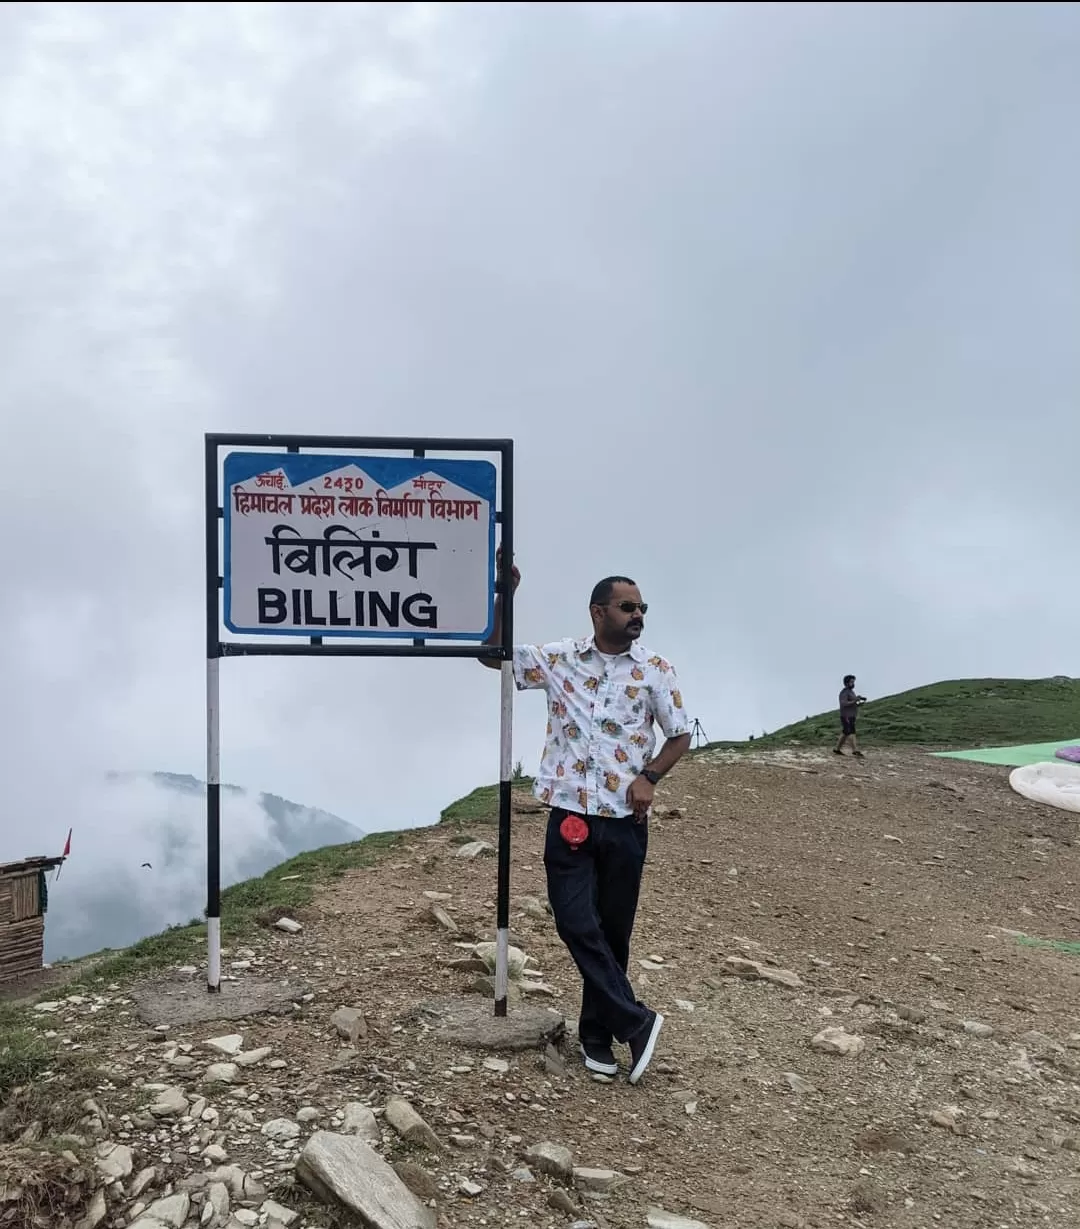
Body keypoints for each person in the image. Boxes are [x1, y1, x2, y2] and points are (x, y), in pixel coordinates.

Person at [481, 551, 691, 1085]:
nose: (638, 614)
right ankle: (637, 1022)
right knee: (575, 921)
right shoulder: (560, 659)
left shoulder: (656, 670)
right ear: (598, 612)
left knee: (614, 931)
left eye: (642, 607)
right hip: (570, 817)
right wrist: (504, 593)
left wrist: (650, 777)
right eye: (627, 607)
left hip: (625, 820)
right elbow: (493, 656)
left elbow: (681, 732)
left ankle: (597, 1038)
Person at [834, 674, 867, 757]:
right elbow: (844, 703)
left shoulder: (851, 692)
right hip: (846, 716)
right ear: (846, 683)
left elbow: (852, 703)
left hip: (851, 716)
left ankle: (837, 749)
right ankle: (855, 750)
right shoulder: (844, 692)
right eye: (851, 682)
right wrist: (855, 700)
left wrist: (858, 703)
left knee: (845, 732)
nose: (853, 683)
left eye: (853, 682)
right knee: (851, 732)